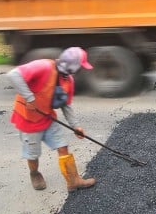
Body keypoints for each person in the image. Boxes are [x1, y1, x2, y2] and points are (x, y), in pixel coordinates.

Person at [7, 47, 96, 192]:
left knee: (63, 146)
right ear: (73, 65)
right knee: (32, 154)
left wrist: (76, 126)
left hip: (48, 119)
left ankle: (73, 181)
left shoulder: (69, 80)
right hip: (27, 119)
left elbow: (66, 105)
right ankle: (34, 174)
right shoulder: (43, 66)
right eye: (80, 66)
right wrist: (29, 98)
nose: (80, 70)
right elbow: (13, 74)